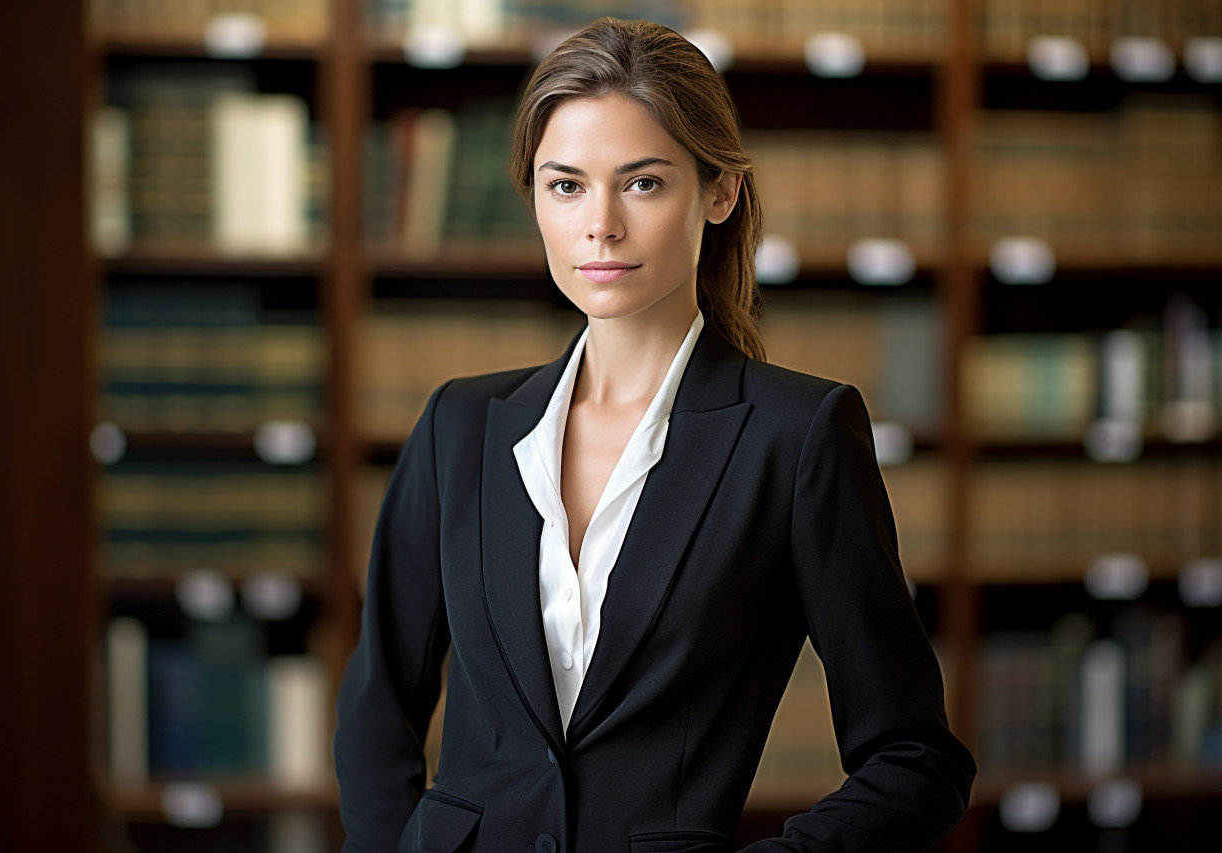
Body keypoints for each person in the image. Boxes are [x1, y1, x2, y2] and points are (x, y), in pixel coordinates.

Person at [334, 17, 976, 853]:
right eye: (565, 185)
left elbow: (916, 757)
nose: (599, 225)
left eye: (641, 183)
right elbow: (378, 708)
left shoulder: (798, 438)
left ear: (719, 192)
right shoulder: (460, 427)